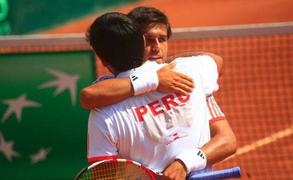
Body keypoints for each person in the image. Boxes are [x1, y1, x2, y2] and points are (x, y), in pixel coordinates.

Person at [86, 12, 236, 179]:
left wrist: (184, 164)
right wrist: (156, 76)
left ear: (102, 59)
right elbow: (216, 61)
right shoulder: (192, 70)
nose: (157, 47)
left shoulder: (103, 113)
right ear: (142, 42)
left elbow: (106, 176)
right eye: (150, 40)